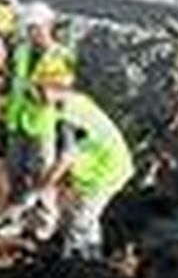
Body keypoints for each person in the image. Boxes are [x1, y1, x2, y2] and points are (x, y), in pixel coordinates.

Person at [20, 55, 133, 262]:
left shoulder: (72, 117)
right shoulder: (68, 103)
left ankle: (76, 267)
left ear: (54, 86)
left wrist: (38, 190)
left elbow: (65, 159)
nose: (35, 93)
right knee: (82, 216)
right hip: (96, 168)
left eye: (40, 88)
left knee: (80, 221)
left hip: (105, 172)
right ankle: (90, 256)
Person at [3, 0, 73, 203]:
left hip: (41, 125)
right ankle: (16, 214)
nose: (32, 32)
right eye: (29, 28)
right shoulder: (22, 50)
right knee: (14, 171)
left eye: (36, 27)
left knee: (41, 174)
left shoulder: (61, 56)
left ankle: (43, 221)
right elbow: (13, 80)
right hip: (16, 120)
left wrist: (43, 93)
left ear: (48, 26)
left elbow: (60, 93)